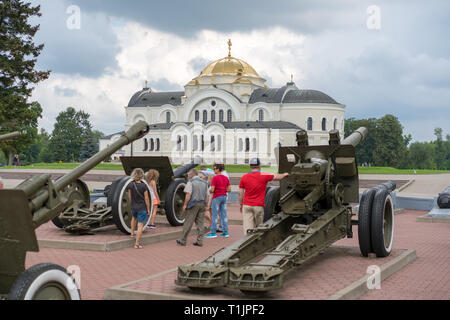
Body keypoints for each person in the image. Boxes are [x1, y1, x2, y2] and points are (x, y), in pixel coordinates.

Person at [239, 158, 289, 235]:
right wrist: (285, 174)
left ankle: (247, 240)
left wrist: (241, 204)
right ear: (259, 166)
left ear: (250, 166)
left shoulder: (244, 177)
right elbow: (278, 177)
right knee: (259, 228)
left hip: (247, 205)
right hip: (258, 206)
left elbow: (240, 193)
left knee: (248, 229)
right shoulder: (264, 175)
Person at [176, 168, 209, 247]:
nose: (188, 176)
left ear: (191, 174)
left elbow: (188, 195)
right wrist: (206, 204)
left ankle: (183, 240)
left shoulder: (190, 182)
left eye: (188, 175)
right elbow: (207, 196)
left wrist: (185, 205)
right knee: (200, 223)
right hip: (202, 204)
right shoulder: (205, 182)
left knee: (188, 222)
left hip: (193, 204)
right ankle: (200, 241)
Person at [126, 168, 151, 249]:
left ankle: (132, 233)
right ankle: (136, 244)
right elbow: (146, 199)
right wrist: (148, 209)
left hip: (134, 206)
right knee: (140, 226)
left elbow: (130, 197)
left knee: (133, 218)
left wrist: (132, 203)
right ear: (142, 175)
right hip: (142, 207)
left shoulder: (130, 184)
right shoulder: (143, 186)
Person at [205, 164, 231, 239]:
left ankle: (213, 232)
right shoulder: (226, 178)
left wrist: (210, 190)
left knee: (214, 215)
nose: (214, 170)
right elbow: (229, 190)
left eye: (215, 169)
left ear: (218, 169)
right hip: (224, 197)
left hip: (216, 197)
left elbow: (212, 190)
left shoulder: (215, 178)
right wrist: (222, 190)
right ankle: (225, 232)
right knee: (224, 215)